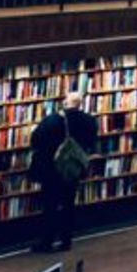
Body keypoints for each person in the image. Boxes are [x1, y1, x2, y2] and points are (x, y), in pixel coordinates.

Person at [28, 89, 98, 253]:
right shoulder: (89, 121)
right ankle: (66, 240)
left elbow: (36, 140)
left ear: (66, 103)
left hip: (53, 170)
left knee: (50, 206)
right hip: (73, 169)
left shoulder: (53, 120)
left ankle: (47, 241)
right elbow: (91, 143)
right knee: (68, 205)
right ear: (80, 104)